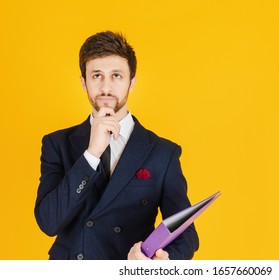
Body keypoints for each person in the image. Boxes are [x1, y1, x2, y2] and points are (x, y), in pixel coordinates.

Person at [34, 31, 199, 260]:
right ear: (84, 83)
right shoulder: (56, 144)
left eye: (117, 76)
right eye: (97, 75)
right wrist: (91, 155)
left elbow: (185, 232)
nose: (106, 87)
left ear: (132, 83)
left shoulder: (163, 153)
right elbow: (48, 222)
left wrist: (161, 260)